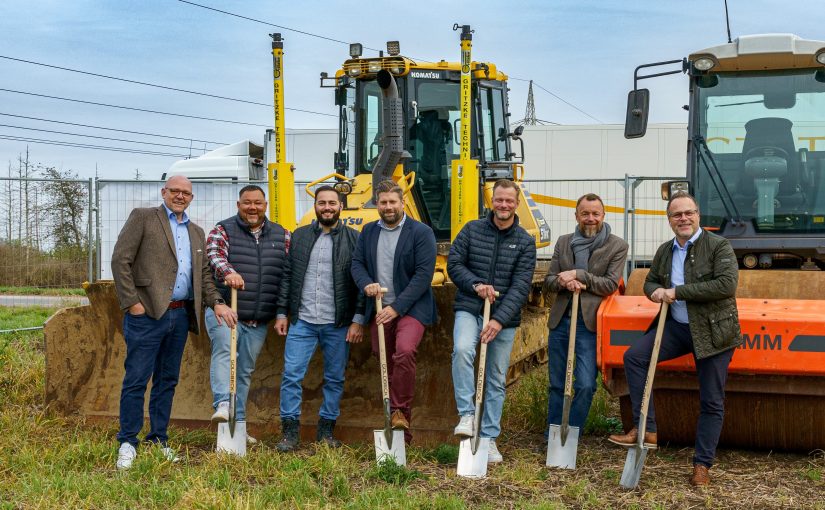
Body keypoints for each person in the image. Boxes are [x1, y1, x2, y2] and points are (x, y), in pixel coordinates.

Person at [608, 191, 741, 487]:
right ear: (669, 220)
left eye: (688, 213)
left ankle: (702, 464)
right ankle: (647, 428)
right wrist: (654, 291)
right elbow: (651, 281)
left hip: (714, 331)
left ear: (698, 215)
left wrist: (677, 292)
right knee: (635, 357)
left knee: (711, 399)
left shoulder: (719, 246)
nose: (683, 218)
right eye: (677, 215)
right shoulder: (666, 250)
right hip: (677, 328)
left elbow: (726, 285)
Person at [111, 175, 236, 470]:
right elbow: (120, 260)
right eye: (175, 191)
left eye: (186, 193)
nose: (180, 196)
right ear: (164, 192)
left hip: (180, 316)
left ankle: (158, 439)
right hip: (148, 316)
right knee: (136, 379)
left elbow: (203, 275)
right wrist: (132, 303)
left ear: (192, 198)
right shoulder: (143, 218)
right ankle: (127, 441)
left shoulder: (196, 231)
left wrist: (217, 302)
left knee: (167, 381)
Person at [447, 179, 537, 463]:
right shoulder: (472, 230)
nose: (504, 205)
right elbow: (454, 264)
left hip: (504, 320)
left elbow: (521, 287)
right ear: (491, 201)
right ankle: (467, 416)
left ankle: (488, 438)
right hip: (470, 307)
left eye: (509, 201)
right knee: (462, 350)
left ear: (516, 203)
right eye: (499, 200)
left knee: (496, 378)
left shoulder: (525, 241)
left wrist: (498, 320)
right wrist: (475, 285)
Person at [274, 185, 365, 451]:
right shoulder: (300, 236)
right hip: (302, 321)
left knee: (335, 378)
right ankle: (290, 433)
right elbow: (287, 276)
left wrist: (358, 318)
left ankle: (325, 432)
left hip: (337, 323)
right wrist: (282, 312)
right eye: (322, 202)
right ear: (315, 206)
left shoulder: (354, 239)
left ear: (341, 207)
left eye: (332, 203)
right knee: (291, 376)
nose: (327, 207)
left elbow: (361, 282)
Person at [351, 179, 437, 443]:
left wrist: (397, 308)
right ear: (377, 204)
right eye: (383, 202)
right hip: (379, 306)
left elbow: (424, 275)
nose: (388, 207)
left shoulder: (421, 232)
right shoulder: (368, 232)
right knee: (382, 357)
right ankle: (398, 423)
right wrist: (366, 284)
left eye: (393, 202)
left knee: (405, 350)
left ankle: (399, 411)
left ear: (402, 203)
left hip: (411, 306)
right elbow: (357, 264)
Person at [205, 184, 289, 441]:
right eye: (247, 202)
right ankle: (222, 404)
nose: (252, 207)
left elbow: (287, 274)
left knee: (243, 371)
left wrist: (282, 311)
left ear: (265, 206)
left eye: (257, 203)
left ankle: (238, 424)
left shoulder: (282, 235)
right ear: (238, 205)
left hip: (258, 318)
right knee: (225, 354)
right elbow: (214, 255)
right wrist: (228, 272)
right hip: (226, 309)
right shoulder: (223, 229)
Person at [544, 194, 628, 437]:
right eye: (585, 214)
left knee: (585, 384)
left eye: (595, 214)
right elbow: (549, 281)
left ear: (603, 215)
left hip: (590, 324)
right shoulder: (563, 242)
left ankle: (573, 432)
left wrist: (580, 275)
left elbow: (610, 284)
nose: (590, 219)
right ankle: (553, 435)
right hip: (561, 322)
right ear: (576, 216)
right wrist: (563, 282)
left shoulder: (617, 245)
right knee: (558, 384)